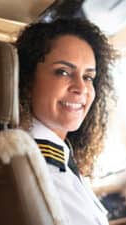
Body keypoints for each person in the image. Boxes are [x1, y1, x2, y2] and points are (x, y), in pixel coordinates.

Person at [15, 18, 116, 225]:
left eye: (88, 77)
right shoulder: (45, 174)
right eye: (63, 72)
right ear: (26, 79)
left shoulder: (52, 159)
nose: (81, 88)